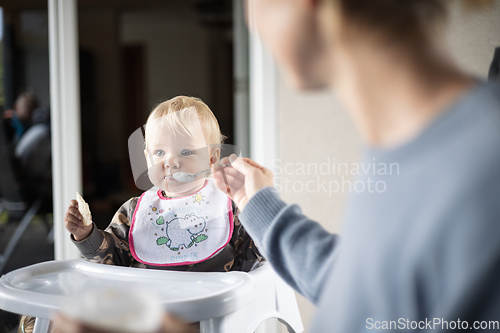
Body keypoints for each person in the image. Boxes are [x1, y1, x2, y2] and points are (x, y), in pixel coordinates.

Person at [54, 0, 500, 332]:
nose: (251, 16)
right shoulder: (413, 154)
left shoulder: (472, 174)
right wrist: (260, 204)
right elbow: (369, 294)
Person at [64, 96, 263, 273]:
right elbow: (110, 260)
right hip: (151, 308)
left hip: (211, 311)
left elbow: (256, 255)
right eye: (159, 153)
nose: (170, 162)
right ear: (147, 159)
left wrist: (260, 209)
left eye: (185, 152)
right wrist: (86, 234)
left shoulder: (228, 204)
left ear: (212, 159)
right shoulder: (134, 211)